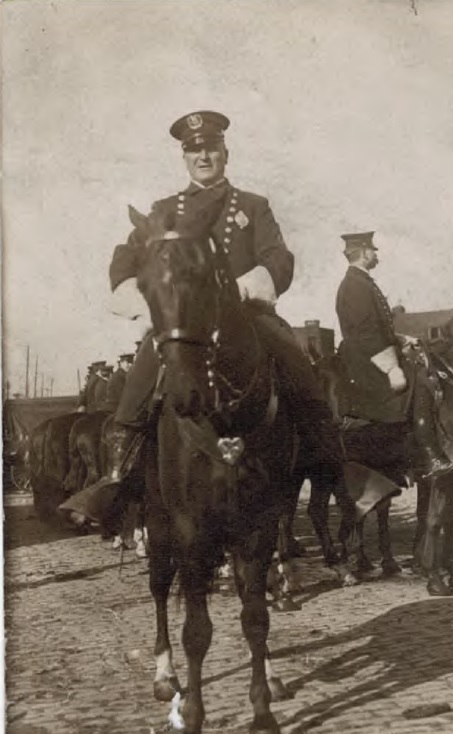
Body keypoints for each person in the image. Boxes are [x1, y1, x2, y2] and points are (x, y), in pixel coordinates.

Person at [68, 110, 391, 521]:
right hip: (184, 321)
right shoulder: (164, 210)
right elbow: (124, 262)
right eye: (195, 150)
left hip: (247, 314)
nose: (204, 156)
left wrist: (241, 287)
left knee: (296, 361)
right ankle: (114, 476)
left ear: (225, 152)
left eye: (211, 148)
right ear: (185, 158)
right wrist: (150, 304)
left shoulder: (254, 206)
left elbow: (278, 258)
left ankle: (336, 467)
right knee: (144, 373)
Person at [334, 231, 453, 478]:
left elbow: (377, 329)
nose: (375, 255)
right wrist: (391, 366)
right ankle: (431, 456)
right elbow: (367, 334)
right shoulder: (356, 285)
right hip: (368, 361)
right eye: (372, 251)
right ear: (364, 253)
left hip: (371, 353)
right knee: (421, 383)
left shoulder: (360, 282)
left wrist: (402, 339)